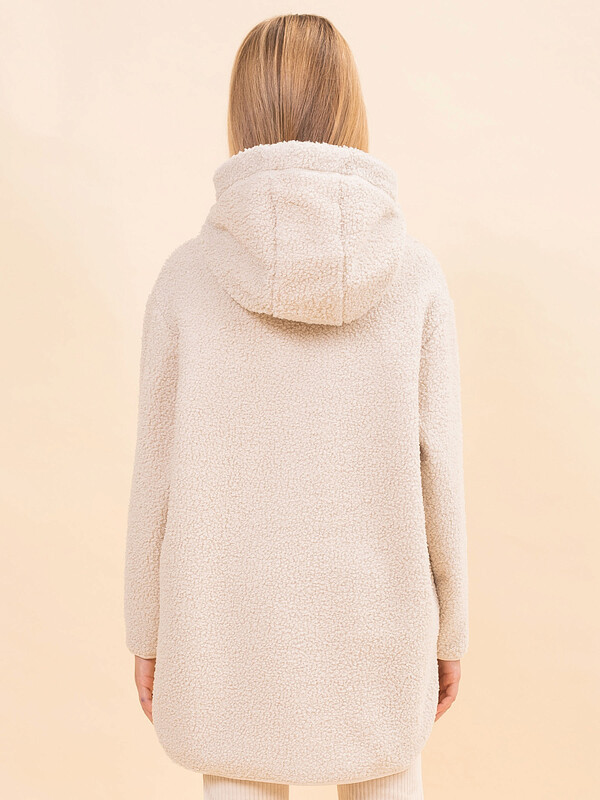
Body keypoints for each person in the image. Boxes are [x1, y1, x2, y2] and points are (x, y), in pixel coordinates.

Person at [124, 13, 469, 800]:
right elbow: (439, 471)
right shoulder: (414, 279)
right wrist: (452, 627)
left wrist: (146, 627)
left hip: (225, 632)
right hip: (379, 625)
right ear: (352, 107)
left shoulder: (186, 280)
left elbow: (156, 475)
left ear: (240, 114)